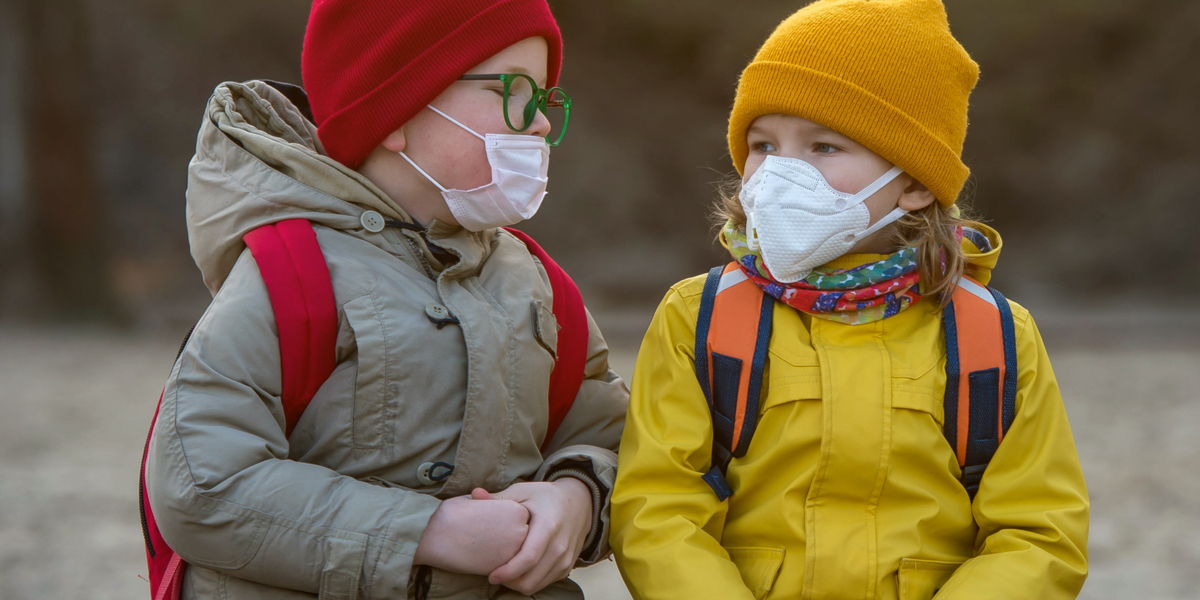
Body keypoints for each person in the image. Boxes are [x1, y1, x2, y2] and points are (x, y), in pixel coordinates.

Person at [144, 1, 628, 599]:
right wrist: (425, 532)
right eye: (514, 92)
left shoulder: (538, 284)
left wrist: (577, 497)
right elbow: (201, 486)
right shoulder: (292, 274)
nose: (541, 123)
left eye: (546, 99)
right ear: (397, 110)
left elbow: (612, 438)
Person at [609, 1, 1089, 599]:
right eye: (763, 144)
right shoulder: (699, 317)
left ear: (913, 182)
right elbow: (658, 509)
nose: (780, 173)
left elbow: (1038, 533)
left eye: (824, 147)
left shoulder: (993, 334)